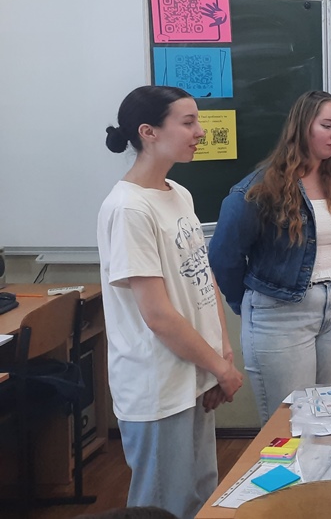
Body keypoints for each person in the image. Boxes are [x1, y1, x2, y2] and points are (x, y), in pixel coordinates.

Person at [97, 86, 244, 519]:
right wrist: (219, 368)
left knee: (200, 496)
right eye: (188, 122)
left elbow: (202, 277)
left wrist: (220, 355)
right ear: (149, 132)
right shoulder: (128, 209)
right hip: (158, 385)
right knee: (163, 506)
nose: (200, 132)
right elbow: (158, 315)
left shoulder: (177, 192)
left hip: (195, 371)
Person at [209, 91, 331, 423]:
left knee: (330, 418)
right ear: (302, 127)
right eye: (327, 126)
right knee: (292, 422)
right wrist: (249, 303)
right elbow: (224, 257)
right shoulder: (260, 188)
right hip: (281, 313)